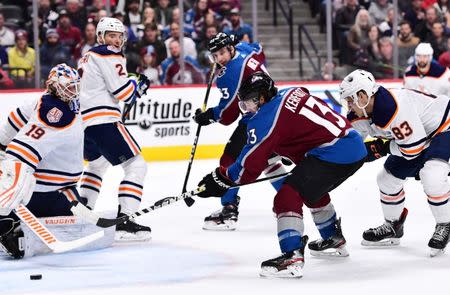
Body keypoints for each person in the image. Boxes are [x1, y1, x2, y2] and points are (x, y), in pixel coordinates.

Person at [196, 72, 367, 278]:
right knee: (311, 190)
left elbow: (247, 169)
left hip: (333, 152)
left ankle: (291, 256)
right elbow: (297, 120)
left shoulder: (266, 119)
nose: (246, 109)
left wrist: (220, 179)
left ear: (261, 98)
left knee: (287, 196)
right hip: (350, 145)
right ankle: (332, 238)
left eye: (248, 102)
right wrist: (289, 147)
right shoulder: (291, 91)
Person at [0, 64, 112, 259]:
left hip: (62, 191)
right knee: (14, 169)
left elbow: (13, 120)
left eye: (75, 86)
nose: (74, 91)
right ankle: (5, 221)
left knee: (83, 220)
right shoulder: (56, 114)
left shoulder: (42, 102)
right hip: (43, 194)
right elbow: (21, 152)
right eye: (68, 87)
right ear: (53, 86)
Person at [340, 69, 450, 257]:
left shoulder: (393, 108)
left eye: (350, 100)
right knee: (386, 179)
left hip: (444, 127)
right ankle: (393, 226)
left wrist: (380, 148)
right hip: (418, 137)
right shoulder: (359, 112)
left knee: (431, 176)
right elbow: (351, 144)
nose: (348, 106)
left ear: (362, 96)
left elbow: (413, 151)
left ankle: (445, 223)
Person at [193, 33, 288, 231]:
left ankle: (229, 211)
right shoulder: (246, 48)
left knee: (230, 160)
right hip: (275, 109)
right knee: (267, 161)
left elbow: (228, 114)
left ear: (230, 48)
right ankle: (288, 198)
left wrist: (208, 115)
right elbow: (259, 48)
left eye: (222, 53)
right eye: (215, 55)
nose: (219, 59)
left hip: (255, 116)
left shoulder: (230, 73)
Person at [78, 17, 152, 242]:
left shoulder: (87, 56)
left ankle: (82, 210)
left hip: (84, 124)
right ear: (101, 36)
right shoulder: (109, 54)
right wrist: (137, 85)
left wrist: (131, 83)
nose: (116, 40)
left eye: (119, 36)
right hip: (104, 121)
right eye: (111, 35)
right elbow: (123, 93)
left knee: (97, 165)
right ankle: (126, 221)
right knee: (137, 165)